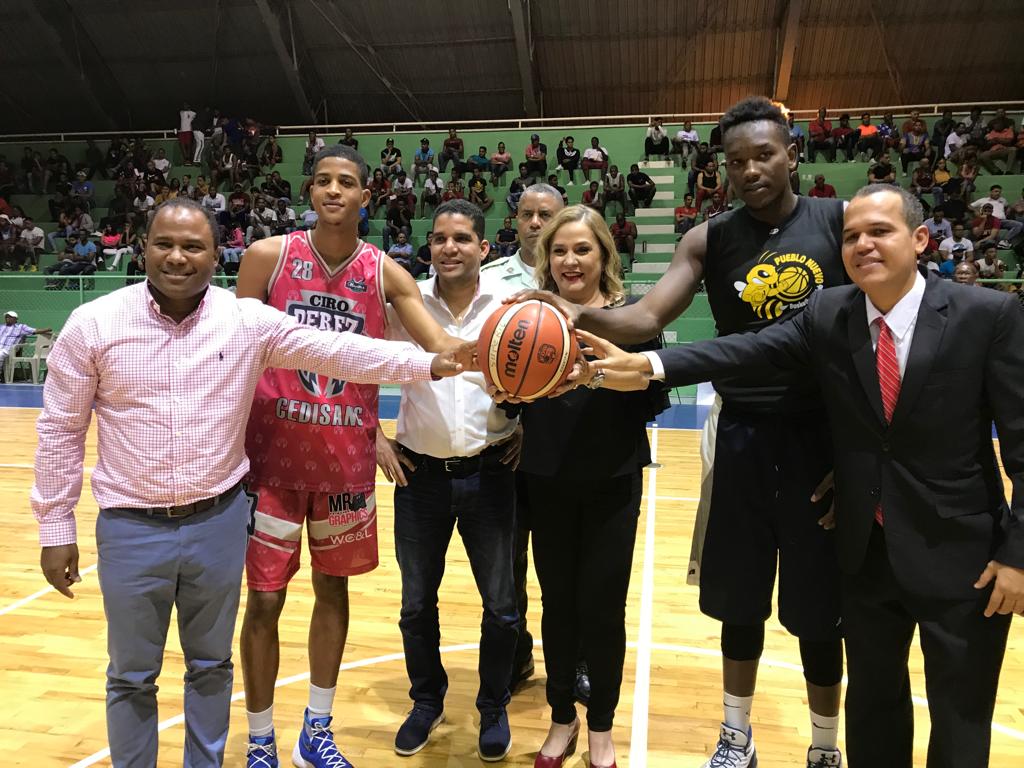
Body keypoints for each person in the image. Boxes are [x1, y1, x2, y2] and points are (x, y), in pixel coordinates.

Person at [587, 184, 1024, 768]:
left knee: (961, 713)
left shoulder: (987, 316)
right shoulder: (828, 312)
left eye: (880, 232)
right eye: (851, 237)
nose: (863, 244)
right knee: (873, 703)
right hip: (865, 552)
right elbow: (746, 348)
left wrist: (1018, 554)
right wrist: (648, 366)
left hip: (962, 557)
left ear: (920, 240)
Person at [31, 197, 467, 768]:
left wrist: (433, 361)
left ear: (218, 255)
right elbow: (61, 428)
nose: (178, 258)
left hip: (219, 521)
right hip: (130, 527)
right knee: (132, 676)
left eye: (193, 247)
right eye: (165, 244)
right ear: (144, 249)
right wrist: (55, 523)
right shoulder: (95, 323)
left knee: (211, 668)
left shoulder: (246, 321)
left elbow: (338, 351)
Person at [509, 97, 848, 768]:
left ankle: (825, 747)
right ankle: (735, 737)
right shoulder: (710, 237)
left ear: (792, 155)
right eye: (736, 161)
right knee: (739, 599)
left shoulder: (838, 224)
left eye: (764, 155)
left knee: (819, 612)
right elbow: (642, 320)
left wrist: (858, 452)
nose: (750, 169)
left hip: (820, 437)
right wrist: (567, 308)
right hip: (743, 433)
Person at [235, 146, 475, 768]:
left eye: (347, 183)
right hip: (274, 461)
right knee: (263, 600)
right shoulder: (268, 258)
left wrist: (499, 350)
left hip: (343, 462)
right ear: (309, 192)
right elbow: (233, 355)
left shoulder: (386, 272)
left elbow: (440, 343)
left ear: (366, 197)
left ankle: (317, 728)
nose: (334, 191)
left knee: (331, 591)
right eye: (323, 181)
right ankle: (260, 737)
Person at [503, 206, 667, 768]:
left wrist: (604, 369)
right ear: (546, 259)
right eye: (560, 251)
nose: (570, 261)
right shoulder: (527, 318)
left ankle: (601, 727)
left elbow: (652, 400)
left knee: (603, 608)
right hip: (545, 479)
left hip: (612, 480)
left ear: (604, 256)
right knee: (557, 606)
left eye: (583, 249)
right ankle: (560, 720)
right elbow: (505, 397)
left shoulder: (633, 320)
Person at [375, 199, 522, 761]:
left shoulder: (509, 308)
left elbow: (544, 370)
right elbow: (351, 362)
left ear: (484, 248)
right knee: (415, 604)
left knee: (503, 605)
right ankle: (426, 701)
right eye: (439, 239)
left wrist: (526, 422)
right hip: (420, 476)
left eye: (462, 238)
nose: (449, 247)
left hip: (491, 474)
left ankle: (493, 707)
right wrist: (372, 435)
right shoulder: (401, 307)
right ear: (429, 247)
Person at [0, 311, 51, 376]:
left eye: (10, 317)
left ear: (15, 319)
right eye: (6, 317)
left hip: (9, 349)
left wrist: (47, 329)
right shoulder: (1, 327)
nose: (7, 318)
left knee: (0, 354)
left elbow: (35, 330)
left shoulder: (20, 327)